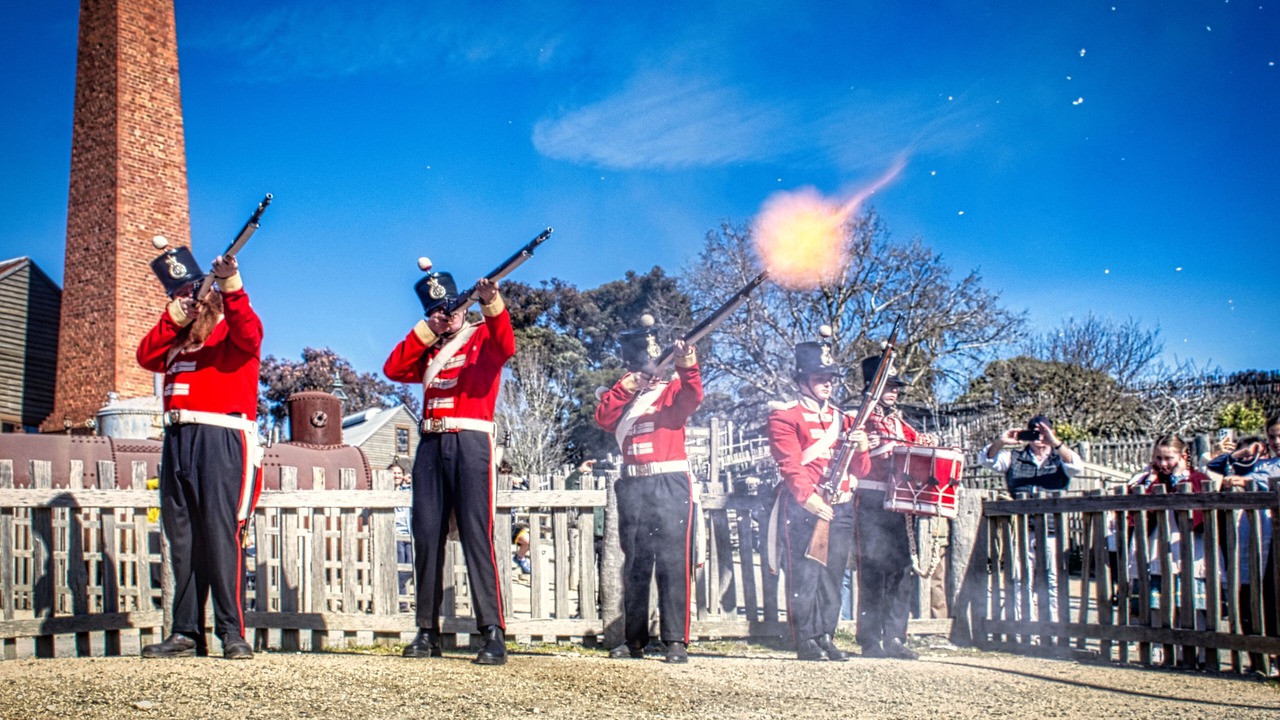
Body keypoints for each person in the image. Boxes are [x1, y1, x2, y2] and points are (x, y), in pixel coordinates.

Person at [136, 243, 262, 660]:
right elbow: (145, 355)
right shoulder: (175, 337)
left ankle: (232, 632)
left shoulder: (230, 327)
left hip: (220, 437)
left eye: (196, 290)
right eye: (180, 295)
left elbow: (250, 331)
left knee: (222, 535)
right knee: (183, 539)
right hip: (177, 439)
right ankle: (187, 632)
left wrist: (230, 283)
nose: (192, 300)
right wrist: (176, 317)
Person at [383, 263, 513, 665]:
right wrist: (427, 330)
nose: (449, 314)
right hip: (430, 442)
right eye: (440, 310)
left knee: (476, 534)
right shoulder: (430, 348)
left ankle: (492, 631)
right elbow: (393, 368)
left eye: (453, 307)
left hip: (470, 440)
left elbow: (505, 345)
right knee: (426, 535)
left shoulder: (481, 336)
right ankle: (427, 630)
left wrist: (492, 302)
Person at [595, 315, 702, 664]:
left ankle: (675, 640)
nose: (653, 372)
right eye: (645, 366)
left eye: (656, 364)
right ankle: (634, 639)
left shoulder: (673, 389)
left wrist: (687, 362)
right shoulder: (624, 393)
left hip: (670, 482)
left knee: (673, 561)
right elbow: (603, 418)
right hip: (633, 483)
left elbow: (693, 396)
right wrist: (628, 386)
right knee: (636, 564)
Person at [766, 333, 870, 661]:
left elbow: (861, 469)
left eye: (830, 378)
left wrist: (862, 447)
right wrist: (808, 498)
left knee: (833, 574)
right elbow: (790, 463)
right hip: (806, 507)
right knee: (805, 574)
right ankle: (806, 638)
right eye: (819, 377)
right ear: (803, 380)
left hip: (840, 506)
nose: (827, 383)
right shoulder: (785, 415)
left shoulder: (845, 419)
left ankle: (826, 634)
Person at [854, 354, 938, 660]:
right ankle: (870, 640)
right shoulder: (859, 419)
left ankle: (894, 637)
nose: (895, 391)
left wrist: (929, 443)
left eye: (896, 387)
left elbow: (918, 445)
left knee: (901, 571)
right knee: (873, 570)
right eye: (888, 386)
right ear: (872, 386)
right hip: (872, 501)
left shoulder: (899, 423)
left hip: (901, 505)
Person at [978, 415, 1082, 622]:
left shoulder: (1060, 458)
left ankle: (1053, 624)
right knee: (1020, 577)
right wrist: (1001, 441)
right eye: (1034, 432)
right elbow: (987, 460)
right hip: (1022, 528)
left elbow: (1076, 466)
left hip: (1052, 529)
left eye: (1043, 432)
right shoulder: (1014, 457)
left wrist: (1055, 443)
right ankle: (1022, 624)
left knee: (1053, 579)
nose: (1039, 437)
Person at [1126, 435, 1210, 627]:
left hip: (1186, 548)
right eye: (1158, 458)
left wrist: (1179, 478)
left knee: (1190, 609)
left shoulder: (1197, 479)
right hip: (1156, 548)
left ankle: (1193, 644)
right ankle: (1159, 643)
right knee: (1156, 609)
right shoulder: (1151, 480)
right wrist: (1151, 478)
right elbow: (1136, 514)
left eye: (1168, 458)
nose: (1163, 464)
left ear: (1183, 456)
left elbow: (1198, 518)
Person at [391, 462, 414, 609]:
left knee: (411, 566)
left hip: (410, 533)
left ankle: (396, 588)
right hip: (395, 534)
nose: (396, 476)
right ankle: (403, 603)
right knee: (399, 567)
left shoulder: (408, 490)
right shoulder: (385, 490)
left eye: (399, 473)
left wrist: (412, 481)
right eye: (393, 473)